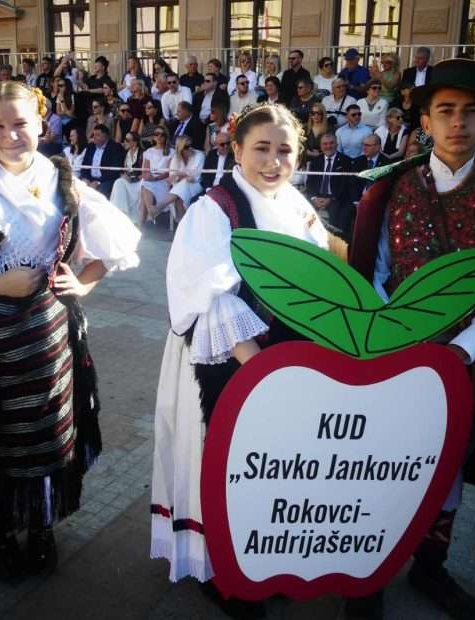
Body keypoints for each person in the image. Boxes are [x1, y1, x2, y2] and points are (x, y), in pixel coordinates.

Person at [348, 58, 475, 620]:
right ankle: (366, 576)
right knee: (383, 465)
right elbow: (376, 270)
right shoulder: (391, 189)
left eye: (470, 111)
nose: (458, 122)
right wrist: (399, 337)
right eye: (445, 111)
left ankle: (430, 568)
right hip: (399, 360)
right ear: (425, 120)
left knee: (449, 469)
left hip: (472, 364)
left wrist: (466, 347)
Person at [0, 80, 140, 583]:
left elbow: (115, 244)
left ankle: (41, 525)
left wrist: (83, 284)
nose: (10, 135)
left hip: (49, 336)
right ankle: (1, 532)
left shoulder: (62, 178)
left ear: (41, 121)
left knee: (48, 434)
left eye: (20, 123)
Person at [150, 103, 334, 619]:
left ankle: (261, 559)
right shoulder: (214, 210)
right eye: (262, 149)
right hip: (228, 358)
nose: (274, 162)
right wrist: (262, 373)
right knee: (225, 462)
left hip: (284, 359)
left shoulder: (296, 205)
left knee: (271, 466)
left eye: (284, 151)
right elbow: (209, 299)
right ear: (236, 150)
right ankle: (220, 571)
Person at [305, 132, 350, 233]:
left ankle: (334, 239)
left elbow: (345, 186)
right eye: (325, 144)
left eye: (331, 143)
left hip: (335, 197)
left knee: (338, 214)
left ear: (337, 144)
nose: (328, 146)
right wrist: (314, 198)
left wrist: (331, 198)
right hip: (317, 196)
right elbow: (310, 183)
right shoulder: (316, 161)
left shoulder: (346, 161)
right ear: (321, 146)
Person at [157, 135, 204, 222]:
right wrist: (181, 176)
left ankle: (160, 206)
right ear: (180, 149)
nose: (190, 148)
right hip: (180, 187)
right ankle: (182, 224)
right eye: (186, 147)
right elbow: (172, 177)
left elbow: (194, 176)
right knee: (179, 196)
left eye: (191, 145)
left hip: (196, 185)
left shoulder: (199, 155)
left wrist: (178, 174)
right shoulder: (176, 157)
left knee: (183, 186)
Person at [80, 124, 126, 198]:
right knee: (79, 188)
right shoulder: (90, 146)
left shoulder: (115, 147)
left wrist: (98, 182)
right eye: (93, 135)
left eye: (97, 135)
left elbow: (114, 170)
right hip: (90, 178)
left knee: (99, 193)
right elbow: (84, 165)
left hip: (106, 180)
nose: (94, 137)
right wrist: (86, 179)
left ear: (105, 136)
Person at [138, 127, 173, 224]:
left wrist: (156, 178)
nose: (159, 136)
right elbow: (145, 170)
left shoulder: (171, 152)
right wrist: (149, 177)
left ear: (166, 137)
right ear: (153, 137)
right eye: (157, 134)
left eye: (162, 135)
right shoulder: (149, 151)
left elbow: (169, 172)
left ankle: (142, 224)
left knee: (144, 189)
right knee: (145, 184)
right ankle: (151, 211)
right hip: (150, 179)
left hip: (163, 180)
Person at [110, 131, 145, 221]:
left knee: (143, 184)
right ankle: (121, 213)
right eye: (124, 140)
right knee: (118, 182)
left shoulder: (142, 154)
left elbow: (144, 173)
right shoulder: (125, 153)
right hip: (128, 180)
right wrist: (124, 175)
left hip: (139, 181)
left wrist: (133, 179)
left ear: (135, 142)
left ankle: (135, 218)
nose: (125, 142)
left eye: (127, 140)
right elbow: (122, 170)